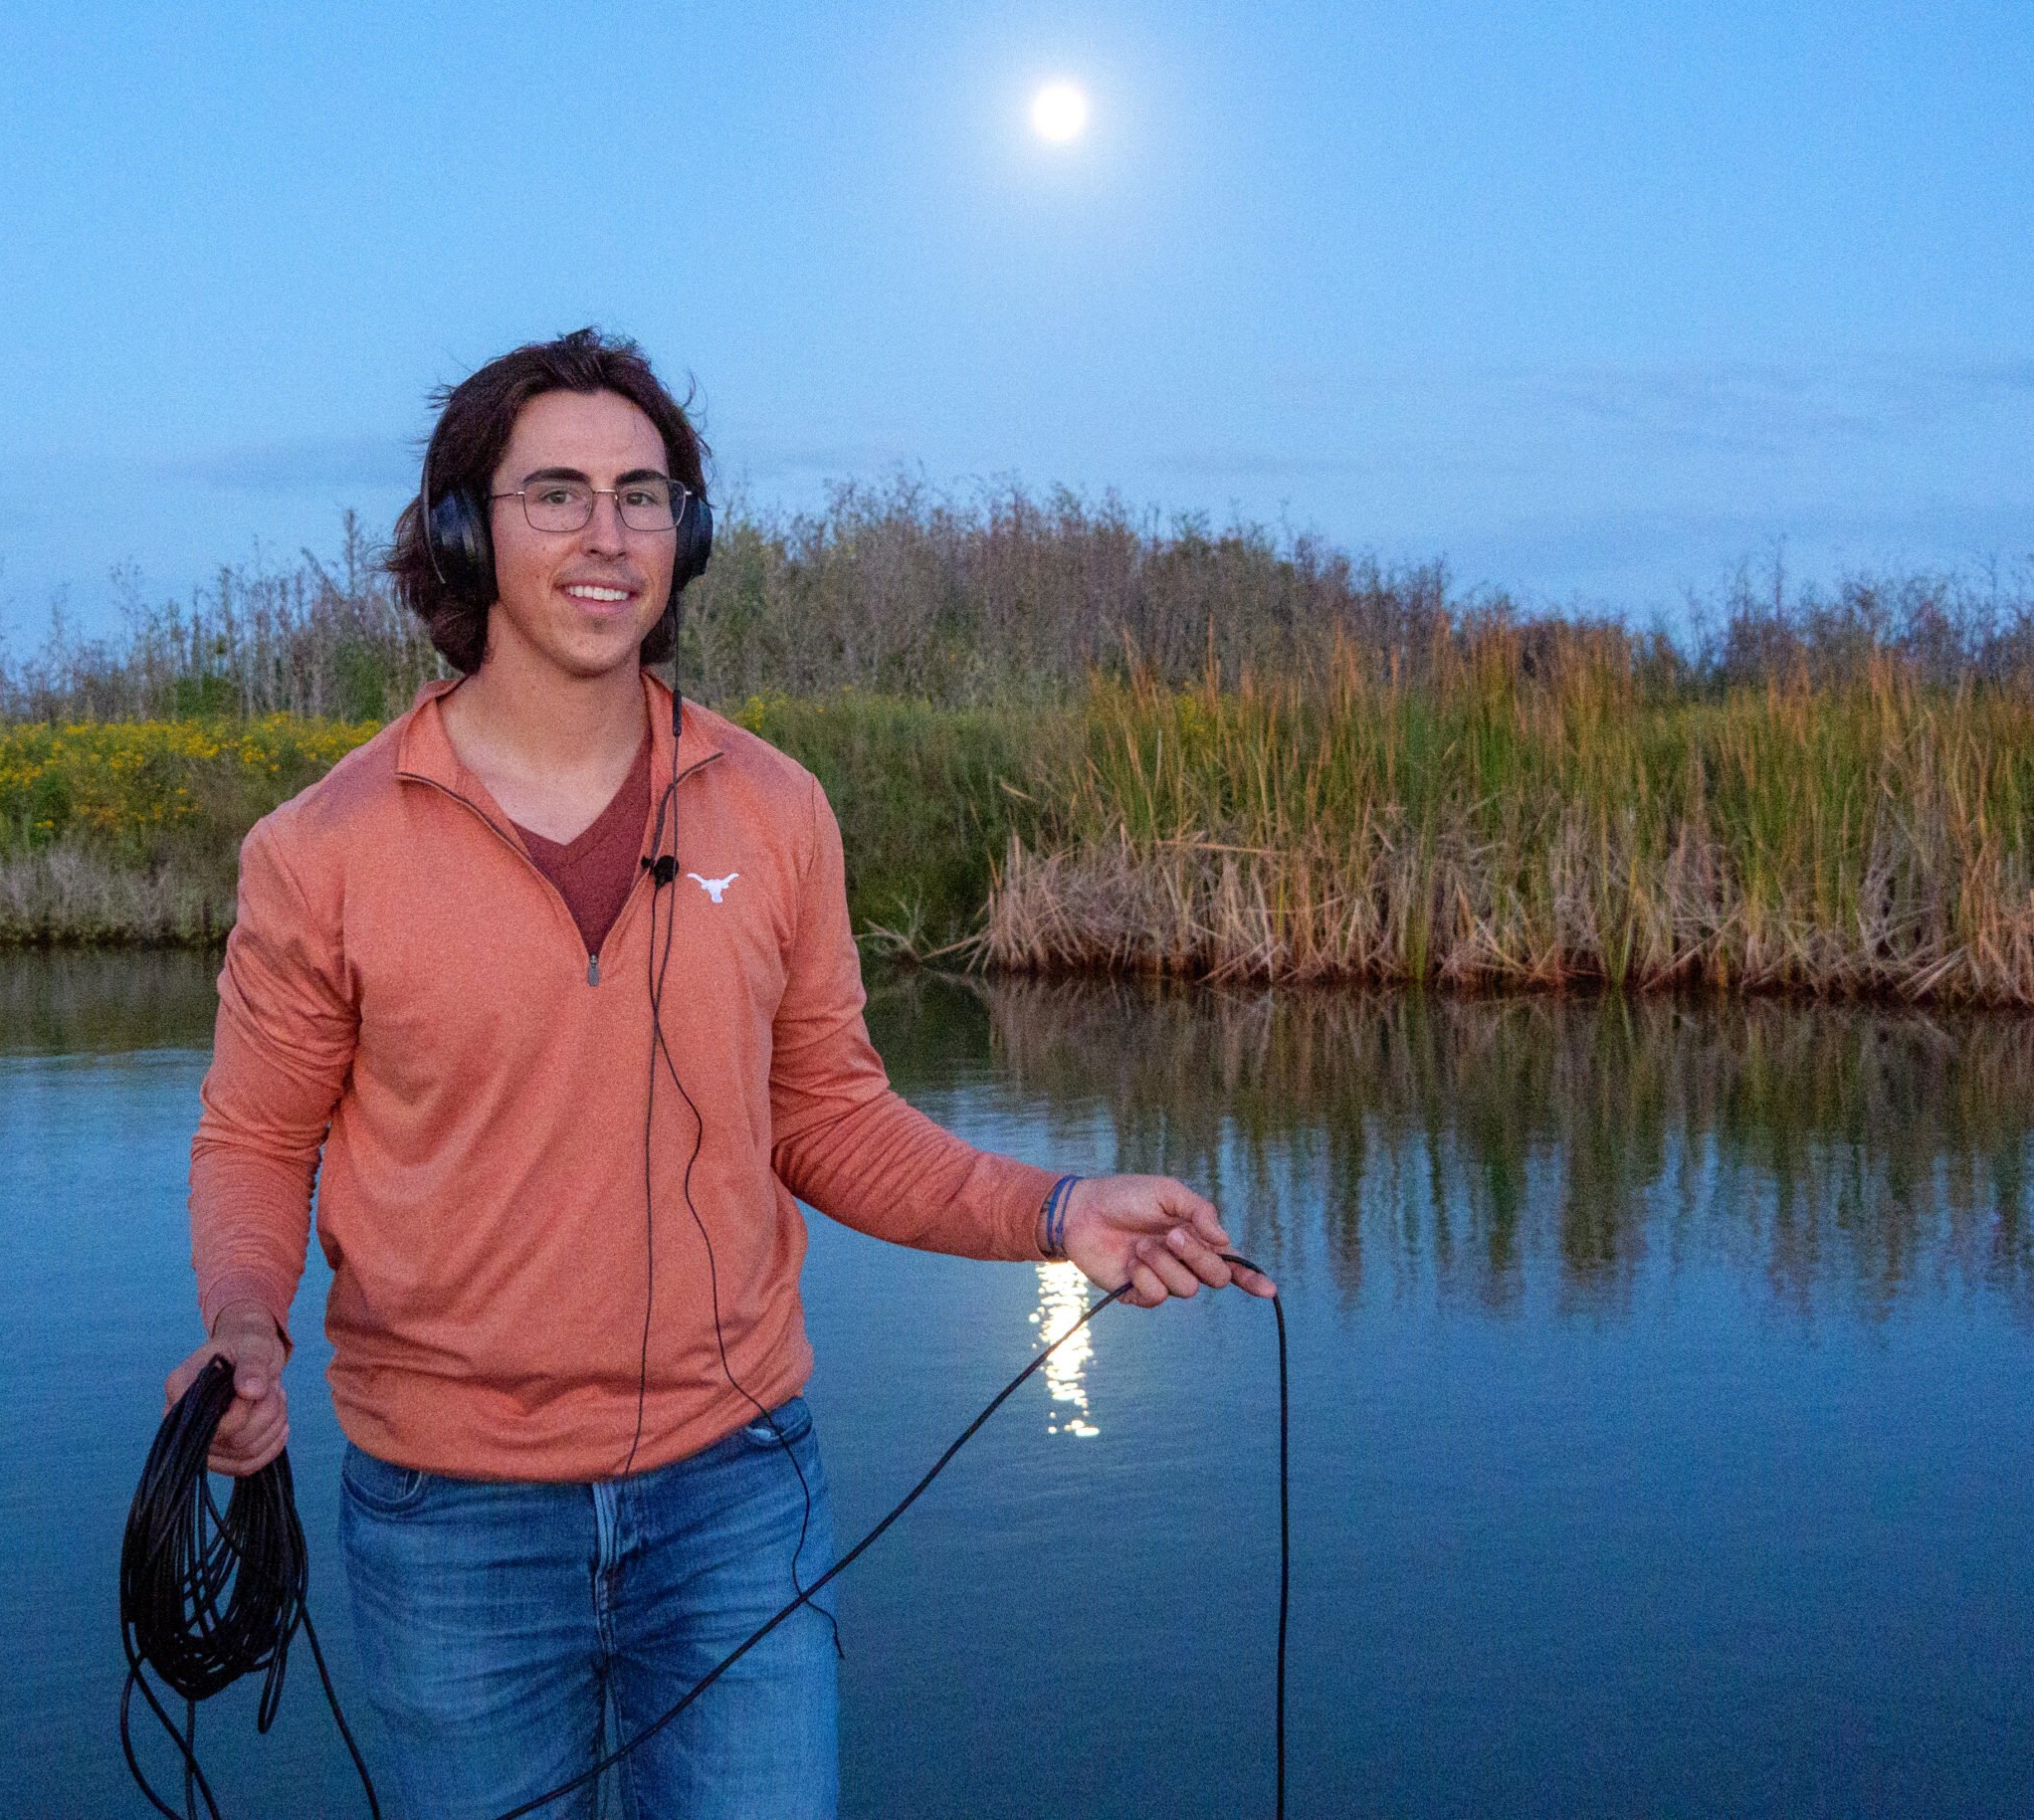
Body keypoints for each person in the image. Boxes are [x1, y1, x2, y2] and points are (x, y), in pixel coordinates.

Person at [165, 328, 1272, 1820]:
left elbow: (829, 1116)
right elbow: (252, 1139)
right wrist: (246, 1327)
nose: (606, 535)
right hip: (450, 1521)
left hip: (742, 1490)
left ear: (687, 535)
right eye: (555, 493)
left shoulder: (780, 805)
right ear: (460, 533)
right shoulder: (323, 848)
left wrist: (1058, 1207)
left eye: (643, 495)